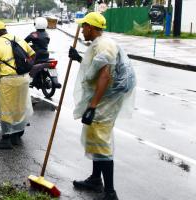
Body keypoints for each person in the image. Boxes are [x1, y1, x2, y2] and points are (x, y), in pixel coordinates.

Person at [68, 12, 136, 200]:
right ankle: (96, 180)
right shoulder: (99, 44)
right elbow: (96, 69)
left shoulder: (104, 45)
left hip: (105, 100)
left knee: (101, 139)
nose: (81, 31)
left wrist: (93, 105)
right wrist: (79, 58)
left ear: (90, 27)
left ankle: (110, 192)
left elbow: (105, 75)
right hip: (103, 98)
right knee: (95, 137)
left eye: (83, 27)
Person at [0, 21, 35, 149]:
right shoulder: (17, 38)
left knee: (6, 109)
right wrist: (25, 67)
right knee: (20, 107)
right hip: (24, 78)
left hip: (9, 80)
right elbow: (32, 54)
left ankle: (6, 139)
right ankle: (17, 136)